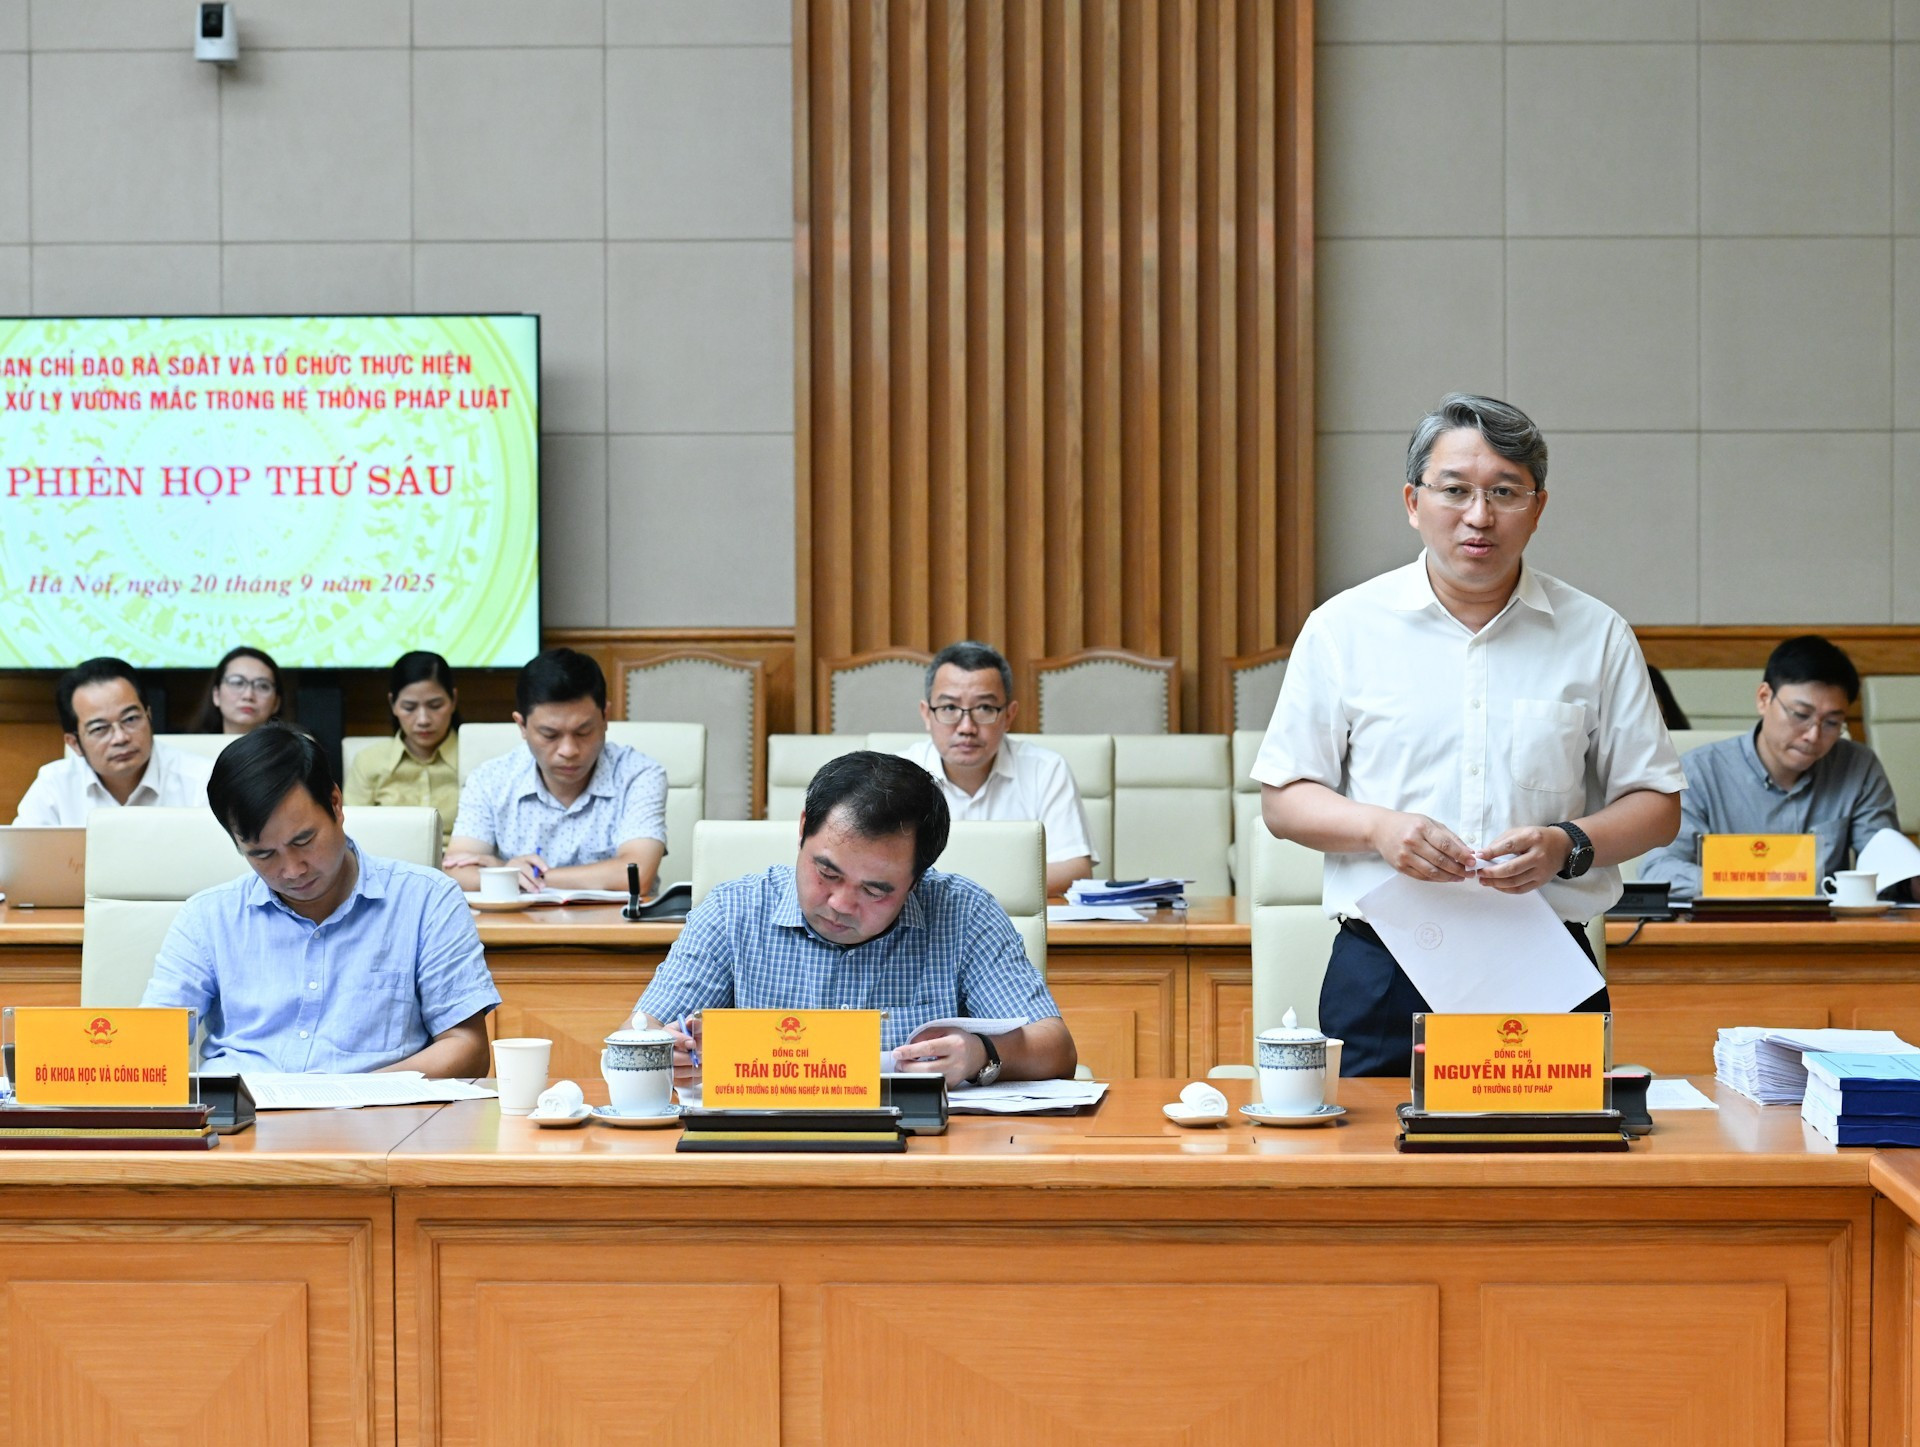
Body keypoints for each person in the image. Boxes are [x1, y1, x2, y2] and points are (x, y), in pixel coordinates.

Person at [1254, 392, 1685, 1077]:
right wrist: (1377, 829)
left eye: (1505, 492)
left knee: (1548, 1178)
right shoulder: (1343, 629)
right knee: (1378, 1178)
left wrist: (1565, 844)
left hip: (1543, 959)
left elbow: (1658, 805)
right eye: (1455, 489)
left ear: (1538, 507)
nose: (1479, 515)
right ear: (1412, 500)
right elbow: (1282, 799)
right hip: (1386, 965)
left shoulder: (1596, 634)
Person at [634, 750, 1076, 1088]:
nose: (841, 903)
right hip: (764, 1156)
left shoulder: (964, 914)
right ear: (804, 827)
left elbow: (1056, 1049)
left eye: (875, 890)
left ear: (918, 879)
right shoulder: (733, 911)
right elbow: (638, 1033)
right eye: (827, 872)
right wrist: (660, 1050)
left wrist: (983, 1053)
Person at [141, 723, 499, 1075]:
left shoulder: (427, 901)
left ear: (336, 804)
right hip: (241, 1123)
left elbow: (467, 1048)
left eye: (303, 841)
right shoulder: (207, 917)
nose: (292, 870)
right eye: (263, 855)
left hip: (375, 1121)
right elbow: (151, 1043)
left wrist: (354, 1096)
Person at [1639, 636, 1899, 898]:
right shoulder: (1700, 772)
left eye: (1831, 722)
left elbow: (1887, 867)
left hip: (1823, 933)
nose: (1813, 735)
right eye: (1800, 714)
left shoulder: (1858, 766)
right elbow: (1659, 870)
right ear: (1764, 698)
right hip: (1726, 928)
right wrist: (1756, 883)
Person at [443, 648, 668, 896]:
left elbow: (636, 876)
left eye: (583, 732)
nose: (568, 750)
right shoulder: (490, 780)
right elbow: (456, 872)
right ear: (522, 726)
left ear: (605, 717)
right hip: (517, 931)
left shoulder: (639, 775)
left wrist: (512, 874)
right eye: (550, 735)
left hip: (617, 931)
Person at [897, 640, 1096, 894]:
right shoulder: (901, 776)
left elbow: (1076, 871)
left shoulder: (1045, 770)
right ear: (927, 714)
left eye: (984, 708)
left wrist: (963, 893)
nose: (966, 727)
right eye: (949, 708)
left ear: (1009, 716)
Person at [15, 657, 213, 824]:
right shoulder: (54, 785)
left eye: (130, 719)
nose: (120, 738)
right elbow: (22, 864)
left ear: (149, 716)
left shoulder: (200, 781)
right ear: (74, 743)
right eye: (100, 729)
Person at [343, 650, 462, 850]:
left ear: (453, 700)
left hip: (459, 869)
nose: (423, 719)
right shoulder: (369, 761)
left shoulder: (477, 760)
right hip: (388, 869)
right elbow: (353, 838)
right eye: (409, 707)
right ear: (393, 705)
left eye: (435, 705)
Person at [198, 645, 288, 734]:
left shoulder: (291, 748)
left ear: (276, 702)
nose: (248, 696)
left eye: (262, 686)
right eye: (238, 683)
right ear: (216, 695)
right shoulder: (190, 746)